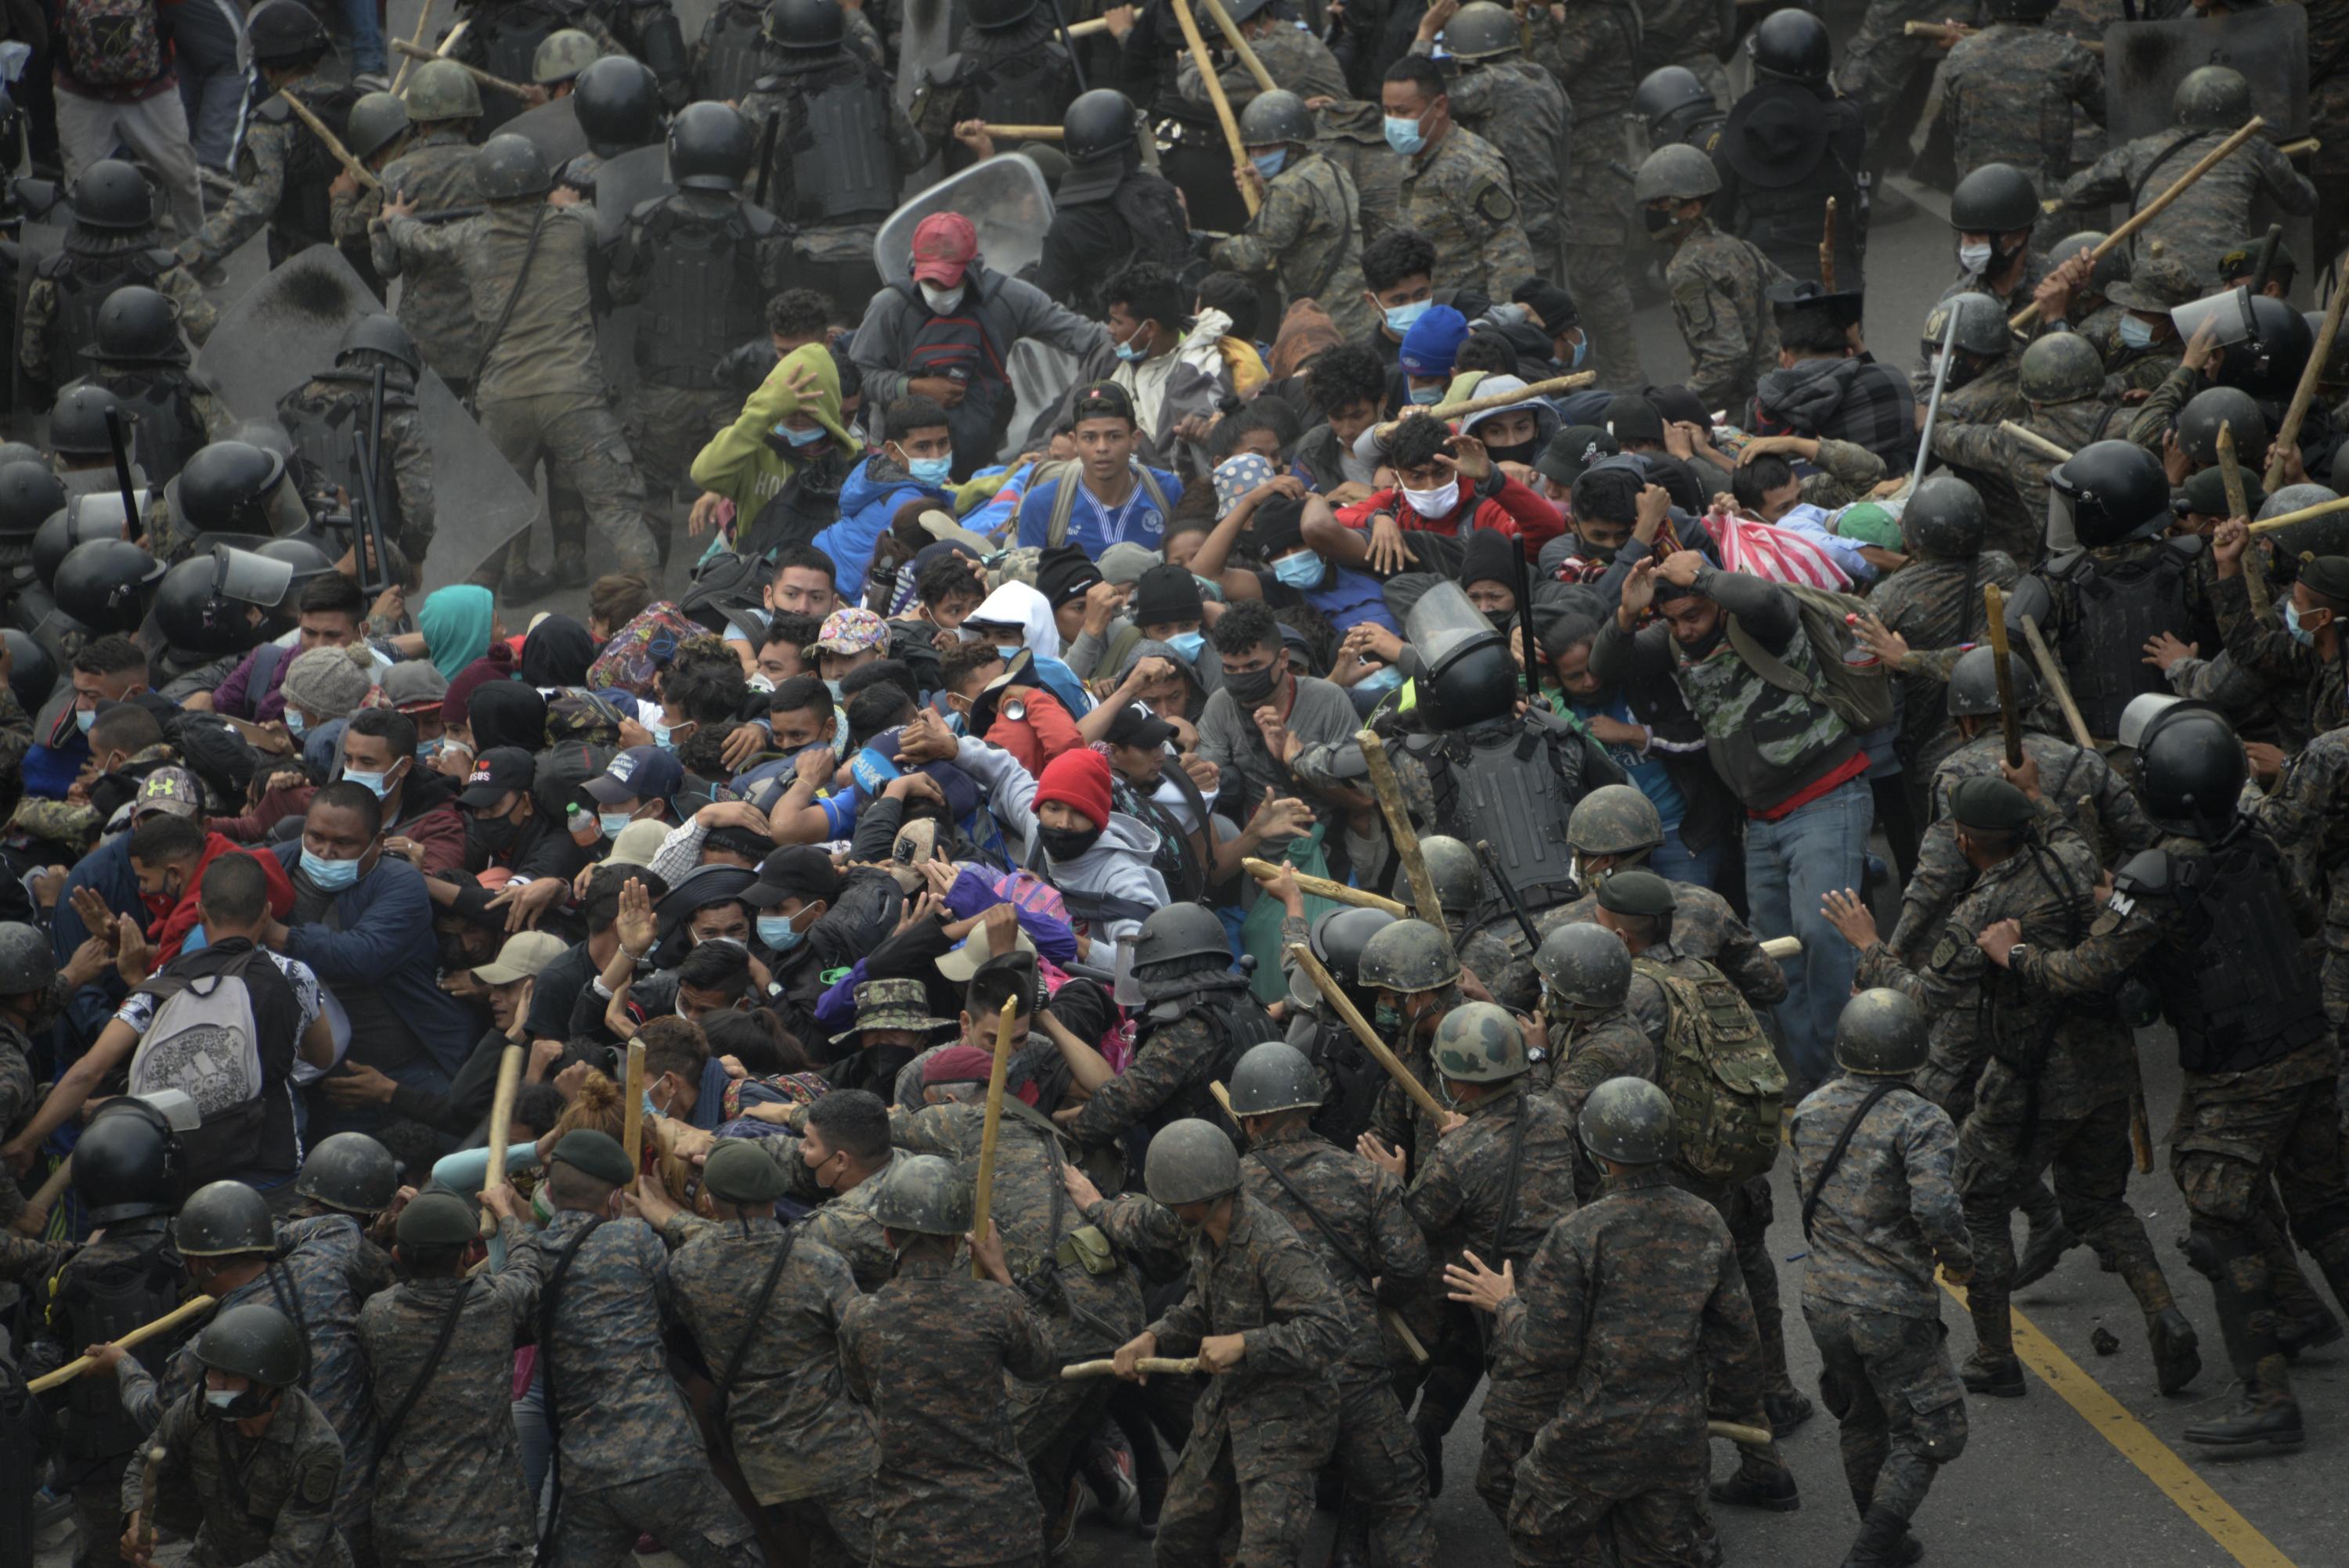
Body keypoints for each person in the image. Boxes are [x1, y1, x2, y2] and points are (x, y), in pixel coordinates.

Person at [1983, 698, 2349, 1449]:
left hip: (2239, 1069)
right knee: (2327, 1212)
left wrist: (2014, 956)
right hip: (2308, 1045)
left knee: (2218, 1218)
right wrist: (2050, 814)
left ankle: (2266, 1399)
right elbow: (2304, 924)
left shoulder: (2157, 878)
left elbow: (2084, 971)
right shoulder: (2253, 841)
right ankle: (2302, 1309)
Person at [1828, 775, 2201, 1404]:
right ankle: (2165, 1312)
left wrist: (1869, 946)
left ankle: (1996, 1355)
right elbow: (2057, 827)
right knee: (2101, 1205)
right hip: (2108, 1066)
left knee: (1979, 1200)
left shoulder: (1983, 910)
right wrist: (2033, 791)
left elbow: (1920, 1000)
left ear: (1966, 840)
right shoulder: (2076, 857)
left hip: (2029, 1083)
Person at [1444, 1076, 1764, 1568]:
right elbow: (1739, 1341)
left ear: (1594, 1149)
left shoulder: (1577, 1234)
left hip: (1590, 1434)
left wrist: (1504, 1303)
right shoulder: (1706, 1222)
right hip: (1676, 1436)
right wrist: (1734, 1408)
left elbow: (1547, 1349)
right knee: (1664, 1555)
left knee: (1537, 1536)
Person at [1593, 550, 1871, 1091]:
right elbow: (1606, 669)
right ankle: (1821, 1085)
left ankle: (1855, 1080)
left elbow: (1771, 598)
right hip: (1762, 822)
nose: (1684, 628)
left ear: (1717, 603)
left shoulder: (1758, 622)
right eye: (1672, 619)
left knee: (1824, 937)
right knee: (1773, 958)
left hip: (1825, 798)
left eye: (1694, 613)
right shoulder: (1675, 641)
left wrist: (1702, 575)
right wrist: (1627, 616)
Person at [371, 135, 660, 586]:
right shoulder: (571, 226)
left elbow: (420, 239)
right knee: (620, 513)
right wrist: (563, 204)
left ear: (485, 191)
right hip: (574, 396)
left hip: (502, 399)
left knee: (495, 524)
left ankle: (471, 630)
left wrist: (393, 219)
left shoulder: (470, 236)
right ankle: (659, 615)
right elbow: (613, 223)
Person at [1211, 1040, 1436, 1566]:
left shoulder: (1230, 1192)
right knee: (1401, 1495)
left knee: (1262, 1528)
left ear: (1247, 1122)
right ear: (1311, 1109)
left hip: (1271, 1374)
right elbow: (1409, 1264)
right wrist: (1378, 1293)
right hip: (1355, 1367)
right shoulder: (1368, 1177)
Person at [1786, 991, 1976, 1567]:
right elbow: (1937, 1209)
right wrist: (1959, 1258)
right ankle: (1869, 1552)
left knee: (1863, 1417)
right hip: (1890, 1305)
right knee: (1933, 1430)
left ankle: (1888, 1541)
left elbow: (1808, 1196)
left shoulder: (1811, 1109)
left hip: (1823, 1296)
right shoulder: (1923, 1118)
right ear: (1916, 1051)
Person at [517, 1128, 763, 1568]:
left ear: (550, 1193)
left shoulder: (531, 1258)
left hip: (585, 1468)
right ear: (616, 1200)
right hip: (660, 1454)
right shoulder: (633, 1239)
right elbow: (668, 1313)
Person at [1108, 1120, 1348, 1568]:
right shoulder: (1207, 1235)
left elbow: (1331, 1328)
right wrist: (1152, 1336)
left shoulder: (1274, 1246)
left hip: (1286, 1422)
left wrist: (1245, 1344)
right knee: (1177, 1543)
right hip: (1227, 1411)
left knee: (1265, 1558)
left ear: (1197, 1199)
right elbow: (1202, 1305)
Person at [634, 1141, 878, 1568]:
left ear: (710, 1200)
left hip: (764, 1459)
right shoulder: (821, 1263)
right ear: (774, 1197)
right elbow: (865, 1348)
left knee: (821, 1552)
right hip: (841, 1449)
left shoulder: (686, 1269)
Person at [839, 1153, 1058, 1568]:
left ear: (888, 1237)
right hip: (1002, 1532)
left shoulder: (861, 1317)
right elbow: (1044, 1364)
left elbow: (862, 1393)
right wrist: (1004, 1277)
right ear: (957, 1241)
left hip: (910, 1538)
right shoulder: (996, 1306)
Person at [357, 1188, 542, 1568]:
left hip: (405, 1526)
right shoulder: (495, 1302)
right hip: (492, 1528)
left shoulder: (377, 1315)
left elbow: (364, 1264)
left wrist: (384, 1230)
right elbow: (528, 1267)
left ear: (399, 1256)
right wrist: (506, 1214)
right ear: (469, 1255)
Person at [850, 212, 1110, 480]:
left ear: (972, 268)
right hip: (900, 458)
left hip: (980, 453)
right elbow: (858, 375)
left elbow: (1089, 338)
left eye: (948, 281)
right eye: (930, 281)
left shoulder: (1006, 298)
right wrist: (911, 388)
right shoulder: (890, 306)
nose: (938, 290)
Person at [2004, 440, 2216, 744]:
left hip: (2100, 754)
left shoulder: (2056, 582)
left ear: (2100, 515)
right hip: (2198, 739)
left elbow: (2001, 663)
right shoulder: (2201, 559)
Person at [119, 1303, 348, 1568]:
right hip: (216, 1555)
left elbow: (289, 1558)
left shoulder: (316, 1449)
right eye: (212, 1373)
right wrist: (136, 1523)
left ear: (267, 1385)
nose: (215, 1386)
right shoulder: (200, 1409)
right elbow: (142, 1466)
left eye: (229, 1377)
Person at [742, 0, 926, 311]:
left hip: (802, 255)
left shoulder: (765, 99)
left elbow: (740, 173)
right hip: (878, 253)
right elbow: (915, 155)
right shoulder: (876, 84)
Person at [179, 2, 373, 287]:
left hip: (303, 276)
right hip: (364, 273)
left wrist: (185, 257)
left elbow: (252, 207)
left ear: (267, 68)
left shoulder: (272, 123)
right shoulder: (359, 105)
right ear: (319, 56)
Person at [2059, 68, 2315, 283]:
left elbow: (2074, 193)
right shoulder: (2253, 148)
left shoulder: (2140, 151)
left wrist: (2138, 183)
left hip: (2154, 289)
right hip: (2224, 287)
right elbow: (2304, 201)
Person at [20, 160, 216, 399]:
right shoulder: (161, 271)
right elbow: (209, 334)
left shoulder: (50, 277)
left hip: (76, 410)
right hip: (157, 410)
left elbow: (32, 359)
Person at [1932, 331, 2124, 570]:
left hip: (2066, 569)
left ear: (2032, 399)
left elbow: (1948, 438)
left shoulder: (2016, 442)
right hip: (2134, 553)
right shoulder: (2131, 425)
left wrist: (1931, 418)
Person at [1713, 9, 1867, 287]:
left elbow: (1717, 214)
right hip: (1836, 268)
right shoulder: (1849, 121)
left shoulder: (1736, 135)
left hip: (1762, 275)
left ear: (1762, 71)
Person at [1636, 143, 1790, 418]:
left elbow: (1725, 356)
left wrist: (1680, 408)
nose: (1652, 212)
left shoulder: (1687, 268)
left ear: (1693, 208)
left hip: (1745, 409)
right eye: (1649, 205)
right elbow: (1791, 297)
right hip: (1780, 391)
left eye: (1661, 205)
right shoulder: (1738, 247)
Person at [1412, 2, 1567, 272]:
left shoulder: (1489, 84)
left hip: (1513, 222)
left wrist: (1425, 34)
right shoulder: (1542, 77)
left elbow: (1415, 98)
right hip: (1547, 216)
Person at [275, 315, 437, 572]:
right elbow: (419, 510)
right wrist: (412, 561)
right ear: (406, 363)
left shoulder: (298, 399)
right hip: (370, 553)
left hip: (297, 546)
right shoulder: (401, 415)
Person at [1379, 56, 1534, 302]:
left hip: (1470, 319)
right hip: (1431, 315)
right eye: (1387, 111)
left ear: (1439, 106)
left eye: (1403, 111)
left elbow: (1508, 252)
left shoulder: (1471, 167)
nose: (1393, 121)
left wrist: (1501, 326)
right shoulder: (1413, 156)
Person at [1032, 88, 1189, 315]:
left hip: (1106, 342)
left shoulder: (1068, 224)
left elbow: (1044, 303)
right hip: (1172, 331)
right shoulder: (1161, 194)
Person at [1933, 0, 2105, 197]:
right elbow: (2110, 114)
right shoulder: (2068, 54)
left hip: (1976, 199)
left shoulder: (1961, 53)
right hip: (2041, 204)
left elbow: (1954, 123)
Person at [907, 0, 1077, 172]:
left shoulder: (952, 80)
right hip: (1040, 194)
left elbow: (914, 155)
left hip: (984, 196)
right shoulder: (1062, 65)